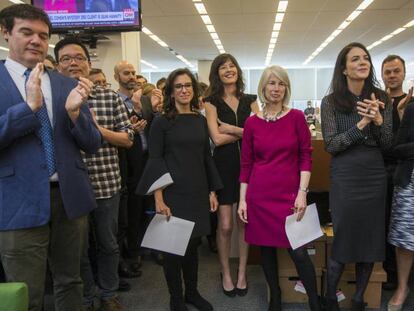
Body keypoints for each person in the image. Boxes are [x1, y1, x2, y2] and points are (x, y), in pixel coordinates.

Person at [0, 4, 101, 311]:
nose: (36, 41)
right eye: (26, 32)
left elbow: (92, 142)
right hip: (18, 202)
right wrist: (27, 109)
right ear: (5, 33)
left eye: (43, 36)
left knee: (71, 282)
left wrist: (73, 114)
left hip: (68, 197)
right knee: (26, 293)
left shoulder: (66, 83)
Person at [55, 37, 134, 311]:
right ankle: (87, 296)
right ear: (56, 65)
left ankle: (108, 293)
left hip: (105, 185)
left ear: (89, 64)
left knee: (108, 245)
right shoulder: (52, 98)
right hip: (69, 188)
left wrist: (98, 130)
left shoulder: (109, 97)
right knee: (78, 252)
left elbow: (128, 139)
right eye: (66, 58)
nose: (73, 63)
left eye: (79, 57)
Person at [137, 68, 222, 311]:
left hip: (197, 190)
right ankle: (176, 298)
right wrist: (159, 197)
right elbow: (155, 160)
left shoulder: (199, 119)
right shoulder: (162, 122)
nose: (184, 90)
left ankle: (192, 293)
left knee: (194, 245)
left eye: (188, 86)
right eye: (178, 86)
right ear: (171, 92)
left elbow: (206, 157)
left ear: (194, 90)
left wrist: (212, 191)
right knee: (173, 249)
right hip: (172, 192)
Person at [237, 65, 320, 311]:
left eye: (281, 83)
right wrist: (243, 200)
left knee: (299, 251)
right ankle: (275, 296)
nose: (276, 88)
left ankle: (314, 301)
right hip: (259, 195)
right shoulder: (252, 123)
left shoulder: (296, 117)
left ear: (286, 88)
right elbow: (246, 164)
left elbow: (306, 156)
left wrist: (302, 193)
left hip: (290, 195)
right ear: (263, 87)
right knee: (266, 249)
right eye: (272, 83)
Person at [321, 42, 392, 311]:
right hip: (346, 176)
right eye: (355, 59)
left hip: (374, 175)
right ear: (344, 68)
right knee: (344, 238)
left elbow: (387, 144)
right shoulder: (331, 102)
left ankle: (359, 298)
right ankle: (330, 298)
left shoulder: (380, 96)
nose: (362, 62)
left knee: (371, 240)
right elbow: (331, 145)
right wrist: (361, 124)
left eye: (365, 58)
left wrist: (378, 121)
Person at [204, 53, 259, 297]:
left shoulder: (251, 100)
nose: (229, 69)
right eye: (223, 67)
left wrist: (233, 129)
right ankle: (226, 272)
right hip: (223, 167)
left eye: (232, 66)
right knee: (225, 225)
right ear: (217, 73)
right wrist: (247, 131)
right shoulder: (210, 101)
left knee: (243, 224)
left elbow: (260, 135)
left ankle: (242, 272)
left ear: (237, 70)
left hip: (251, 168)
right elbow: (215, 138)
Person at [381, 54, 414, 291]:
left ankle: (400, 276)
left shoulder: (410, 104)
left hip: (403, 172)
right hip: (379, 170)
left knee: (401, 226)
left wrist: (402, 114)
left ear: (403, 74)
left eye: (396, 71)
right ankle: (385, 272)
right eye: (388, 71)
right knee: (382, 223)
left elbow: (405, 144)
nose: (392, 76)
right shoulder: (376, 102)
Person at [387, 102, 414, 311]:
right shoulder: (412, 109)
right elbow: (396, 147)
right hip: (410, 179)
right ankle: (402, 287)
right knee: (404, 238)